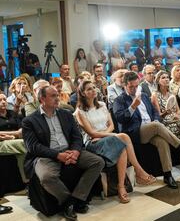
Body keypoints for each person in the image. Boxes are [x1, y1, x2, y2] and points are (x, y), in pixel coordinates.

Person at [22, 86, 105, 220]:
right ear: (42, 99)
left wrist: (76, 151)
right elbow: (33, 147)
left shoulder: (66, 114)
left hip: (70, 150)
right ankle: (68, 202)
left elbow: (77, 136)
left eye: (57, 95)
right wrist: (57, 155)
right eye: (53, 96)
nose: (57, 98)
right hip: (46, 156)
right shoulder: (29, 121)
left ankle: (78, 197)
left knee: (98, 162)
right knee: (46, 177)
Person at [113, 71, 180, 189]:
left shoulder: (143, 95)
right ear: (124, 86)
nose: (134, 89)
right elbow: (120, 118)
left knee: (162, 141)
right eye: (131, 87)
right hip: (134, 132)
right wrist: (133, 106)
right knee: (156, 126)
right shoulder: (119, 100)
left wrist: (155, 120)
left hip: (151, 129)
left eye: (136, 86)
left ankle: (167, 174)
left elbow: (155, 112)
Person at [75, 80, 156, 203]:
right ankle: (138, 172)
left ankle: (121, 186)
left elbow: (112, 125)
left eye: (94, 87)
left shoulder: (102, 104)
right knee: (123, 137)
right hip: (93, 142)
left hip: (106, 136)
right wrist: (108, 135)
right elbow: (91, 133)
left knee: (122, 149)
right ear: (83, 93)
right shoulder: (79, 112)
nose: (93, 90)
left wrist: (107, 135)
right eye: (89, 89)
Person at [0, 93, 27, 183]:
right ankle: (27, 180)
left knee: (22, 152)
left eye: (4, 99)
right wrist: (15, 134)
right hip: (2, 142)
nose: (3, 102)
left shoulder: (12, 113)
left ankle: (25, 180)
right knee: (23, 144)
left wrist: (12, 135)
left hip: (14, 140)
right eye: (0, 100)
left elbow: (22, 130)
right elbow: (18, 132)